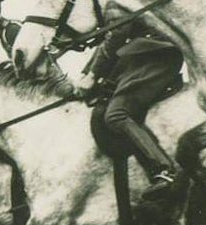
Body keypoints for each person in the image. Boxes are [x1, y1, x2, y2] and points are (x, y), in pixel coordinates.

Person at [75, 22, 184, 199]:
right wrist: (87, 74)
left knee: (116, 115)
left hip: (151, 55)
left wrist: (92, 74)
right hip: (142, 55)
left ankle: (164, 170)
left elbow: (116, 35)